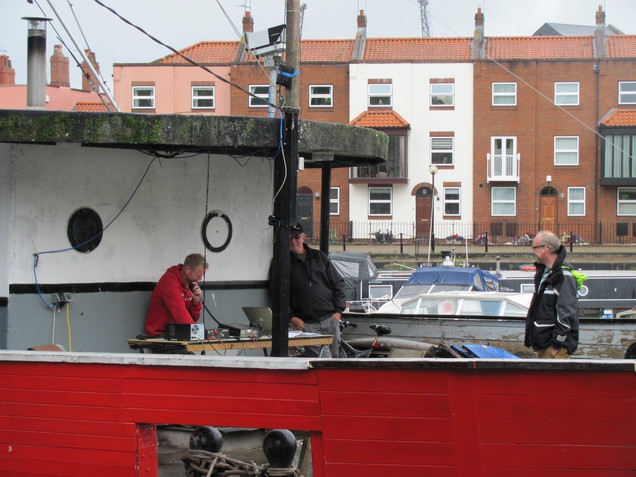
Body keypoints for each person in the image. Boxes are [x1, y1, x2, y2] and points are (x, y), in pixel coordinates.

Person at [288, 224, 347, 358]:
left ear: (304, 237)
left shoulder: (319, 257)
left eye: (296, 237)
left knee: (335, 359)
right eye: (289, 238)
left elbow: (337, 283)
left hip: (330, 319)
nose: (293, 241)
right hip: (307, 324)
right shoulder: (283, 262)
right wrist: (291, 317)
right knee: (324, 361)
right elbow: (278, 294)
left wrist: (338, 312)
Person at [525, 230, 579, 358]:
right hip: (543, 344)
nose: (533, 251)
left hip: (555, 348)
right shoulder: (544, 274)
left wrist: (556, 345)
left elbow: (566, 313)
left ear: (545, 249)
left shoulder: (563, 276)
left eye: (535, 247)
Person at [145, 253, 208, 337]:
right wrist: (196, 333)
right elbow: (179, 313)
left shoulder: (189, 284)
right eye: (198, 276)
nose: (199, 279)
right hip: (161, 334)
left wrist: (195, 302)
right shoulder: (169, 281)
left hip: (178, 333)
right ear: (188, 269)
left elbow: (192, 319)